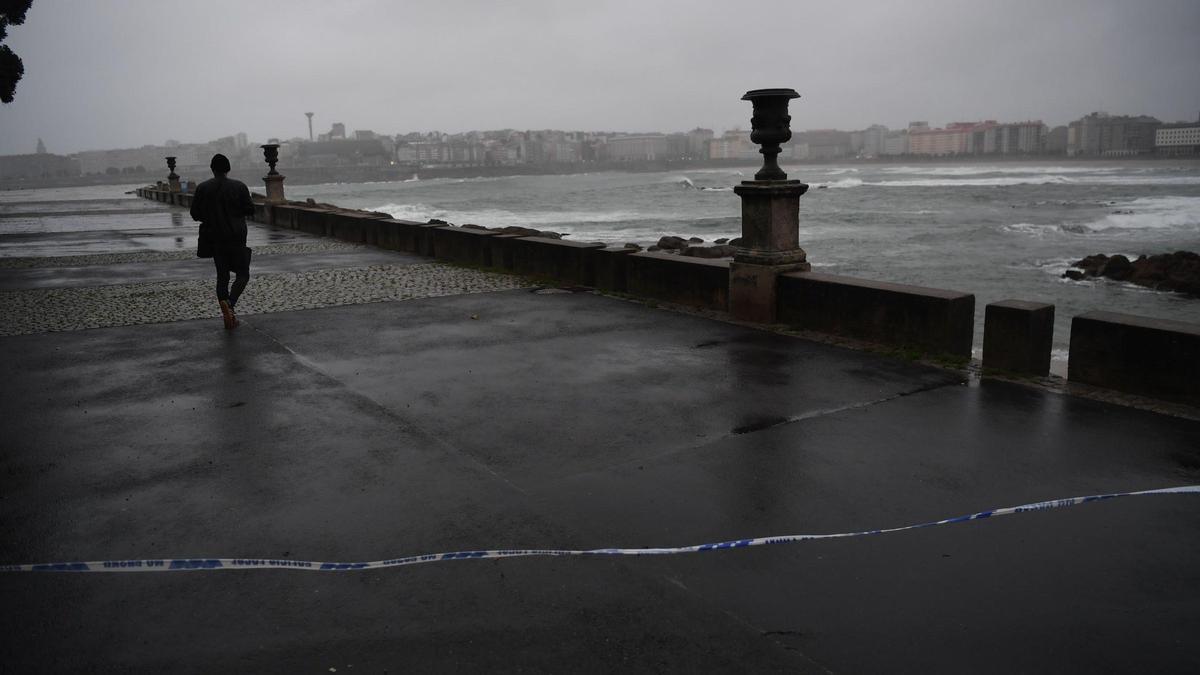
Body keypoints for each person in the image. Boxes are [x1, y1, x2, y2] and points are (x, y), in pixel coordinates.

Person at [190, 154, 255, 329]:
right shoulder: (239, 186)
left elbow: (195, 214)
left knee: (222, 276)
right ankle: (231, 305)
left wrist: (211, 216)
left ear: (212, 169)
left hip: (215, 238)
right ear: (228, 168)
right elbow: (250, 209)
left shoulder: (203, 188)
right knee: (243, 274)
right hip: (237, 236)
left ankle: (227, 310)